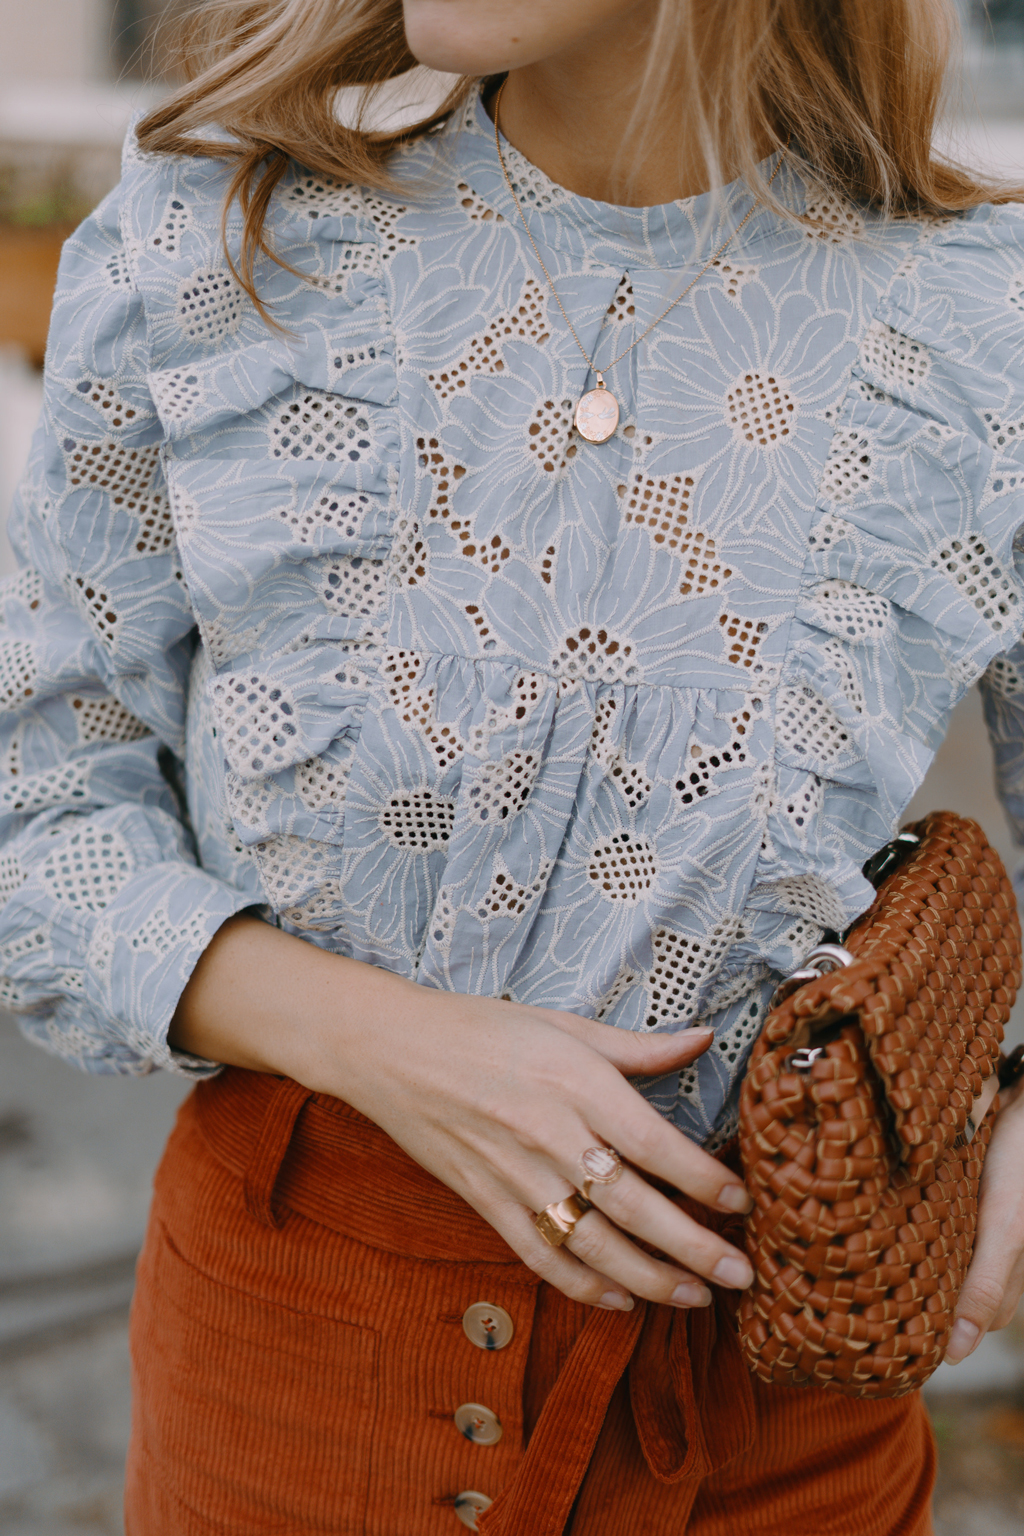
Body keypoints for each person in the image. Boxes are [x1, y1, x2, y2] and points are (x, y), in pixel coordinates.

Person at [2, 0, 1024, 1530]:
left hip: (774, 1423)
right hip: (283, 1382)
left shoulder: (979, 322)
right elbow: (35, 803)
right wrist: (389, 1043)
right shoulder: (215, 249)